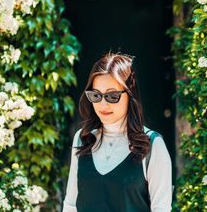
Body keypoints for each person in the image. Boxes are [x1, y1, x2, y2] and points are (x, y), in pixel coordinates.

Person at [62, 51, 172, 212]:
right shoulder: (82, 138)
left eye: (112, 96)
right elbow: (71, 205)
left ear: (130, 95)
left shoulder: (152, 145)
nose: (103, 104)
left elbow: (161, 209)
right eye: (96, 95)